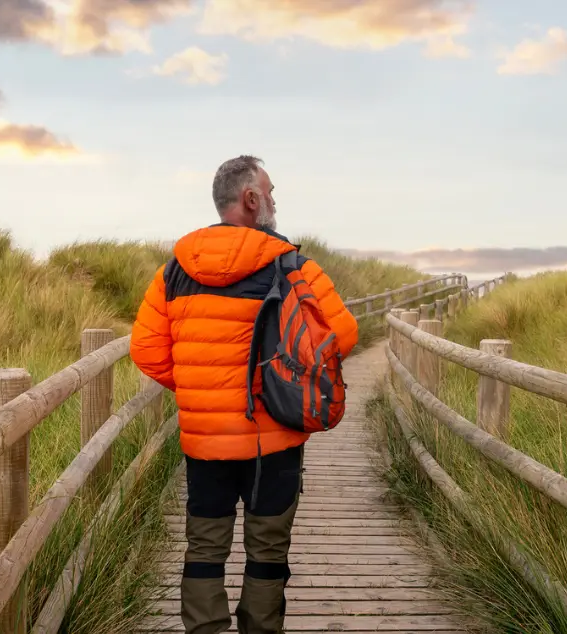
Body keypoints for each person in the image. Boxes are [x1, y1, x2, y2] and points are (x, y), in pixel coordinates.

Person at [129, 155, 359, 633]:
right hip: (272, 435)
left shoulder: (173, 271)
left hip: (204, 438)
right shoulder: (293, 265)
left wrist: (200, 386)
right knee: (268, 548)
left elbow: (146, 351)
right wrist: (279, 377)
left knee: (205, 548)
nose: (275, 199)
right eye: (270, 191)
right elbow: (341, 336)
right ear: (251, 200)